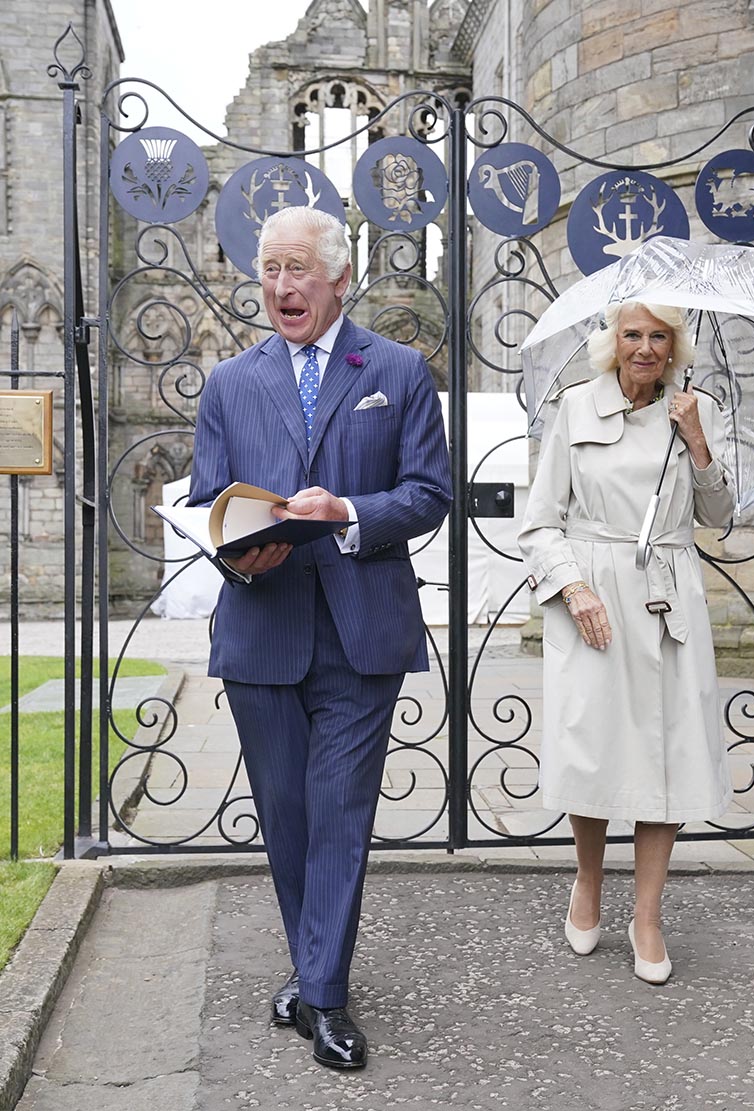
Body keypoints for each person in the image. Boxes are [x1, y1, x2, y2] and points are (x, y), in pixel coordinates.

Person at [189, 205, 451, 1067]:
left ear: (339, 278)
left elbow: (426, 493)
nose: (281, 285)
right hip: (262, 626)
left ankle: (325, 997)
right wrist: (239, 555)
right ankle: (313, 965)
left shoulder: (399, 369)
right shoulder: (230, 383)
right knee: (287, 817)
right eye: (268, 269)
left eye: (297, 268)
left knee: (341, 812)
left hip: (360, 629)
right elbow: (206, 503)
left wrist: (346, 513)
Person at [518, 301, 735, 985]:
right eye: (633, 334)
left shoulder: (694, 409)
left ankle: (647, 914)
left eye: (658, 336)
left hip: (668, 594)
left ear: (675, 346)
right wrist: (572, 588)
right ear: (614, 341)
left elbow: (721, 514)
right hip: (593, 594)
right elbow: (539, 522)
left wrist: (697, 441)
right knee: (593, 745)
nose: (645, 347)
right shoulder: (575, 408)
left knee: (665, 755)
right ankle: (588, 880)